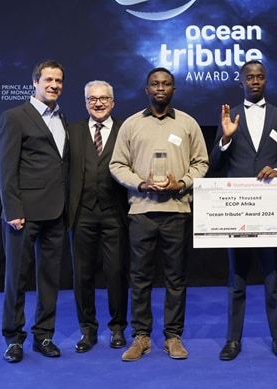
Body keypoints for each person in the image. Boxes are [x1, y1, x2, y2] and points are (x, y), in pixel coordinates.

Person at [109, 68, 209, 362]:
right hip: (142, 211)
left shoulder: (188, 123)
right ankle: (141, 336)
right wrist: (140, 183)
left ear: (174, 90)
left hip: (177, 211)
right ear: (147, 90)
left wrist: (183, 183)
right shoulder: (131, 124)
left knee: (175, 277)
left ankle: (173, 336)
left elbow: (201, 163)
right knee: (140, 277)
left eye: (166, 84)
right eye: (155, 84)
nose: (160, 88)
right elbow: (117, 165)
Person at [209, 60, 277, 361]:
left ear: (266, 81)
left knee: (273, 279)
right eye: (250, 77)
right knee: (236, 279)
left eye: (260, 77)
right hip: (237, 211)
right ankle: (232, 340)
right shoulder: (230, 116)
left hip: (271, 211)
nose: (255, 81)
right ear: (241, 82)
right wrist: (225, 138)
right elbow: (215, 164)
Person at [0, 60, 69, 363]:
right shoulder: (15, 116)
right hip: (23, 214)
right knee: (17, 279)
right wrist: (12, 209)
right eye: (48, 80)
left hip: (56, 213)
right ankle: (13, 339)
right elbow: (5, 167)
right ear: (35, 83)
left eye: (59, 81)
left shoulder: (62, 117)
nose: (54, 85)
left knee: (50, 279)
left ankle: (44, 336)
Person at [68, 80, 129, 353]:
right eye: (92, 99)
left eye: (104, 98)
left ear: (113, 103)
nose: (98, 103)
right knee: (82, 275)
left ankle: (118, 328)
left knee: (116, 273)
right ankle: (87, 330)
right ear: (85, 103)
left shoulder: (126, 130)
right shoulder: (72, 131)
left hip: (116, 213)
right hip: (81, 214)